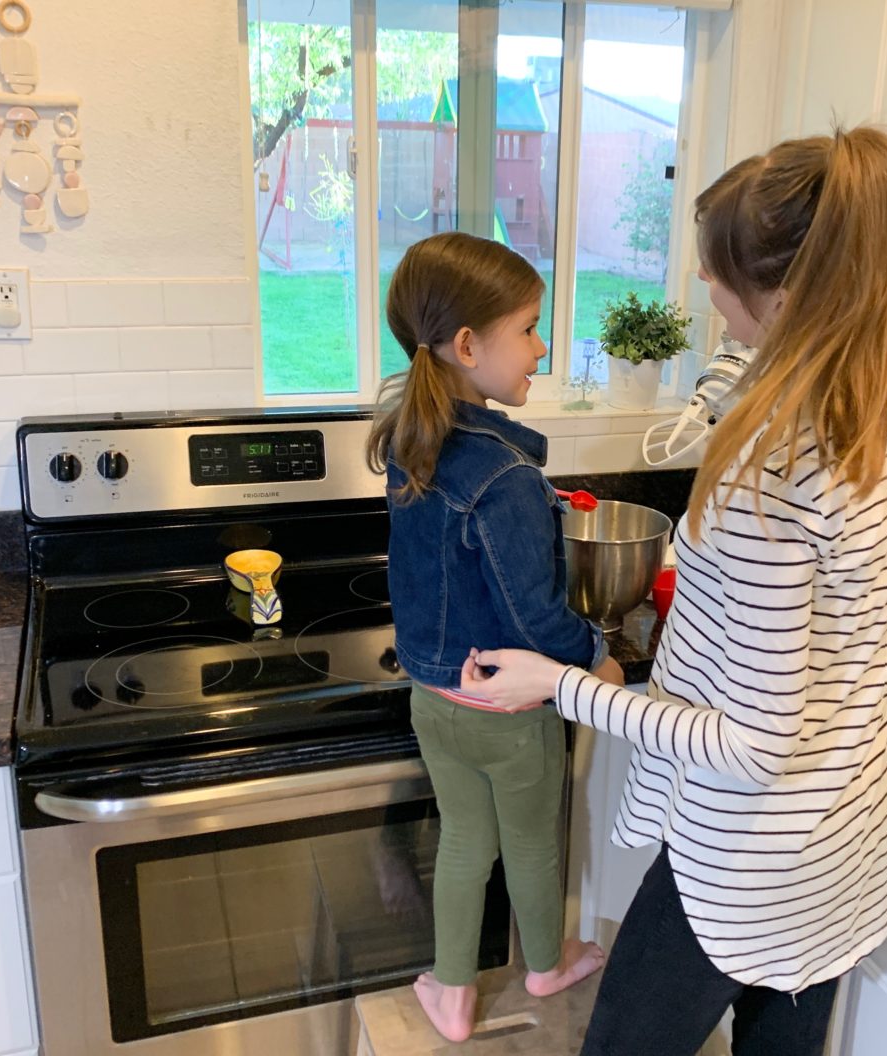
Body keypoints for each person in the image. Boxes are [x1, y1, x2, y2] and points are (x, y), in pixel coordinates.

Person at [459, 127, 887, 1056]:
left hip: (744, 858)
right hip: (840, 834)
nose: (712, 306)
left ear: (789, 297)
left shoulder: (772, 479)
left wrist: (560, 686)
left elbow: (751, 745)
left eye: (721, 284)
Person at [366, 231, 623, 1043]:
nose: (543, 347)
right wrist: (596, 658)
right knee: (533, 848)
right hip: (510, 717)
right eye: (531, 327)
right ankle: (545, 964)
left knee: (464, 846)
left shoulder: (411, 437)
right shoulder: (506, 477)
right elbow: (535, 617)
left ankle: (450, 992)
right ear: (469, 345)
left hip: (434, 699)